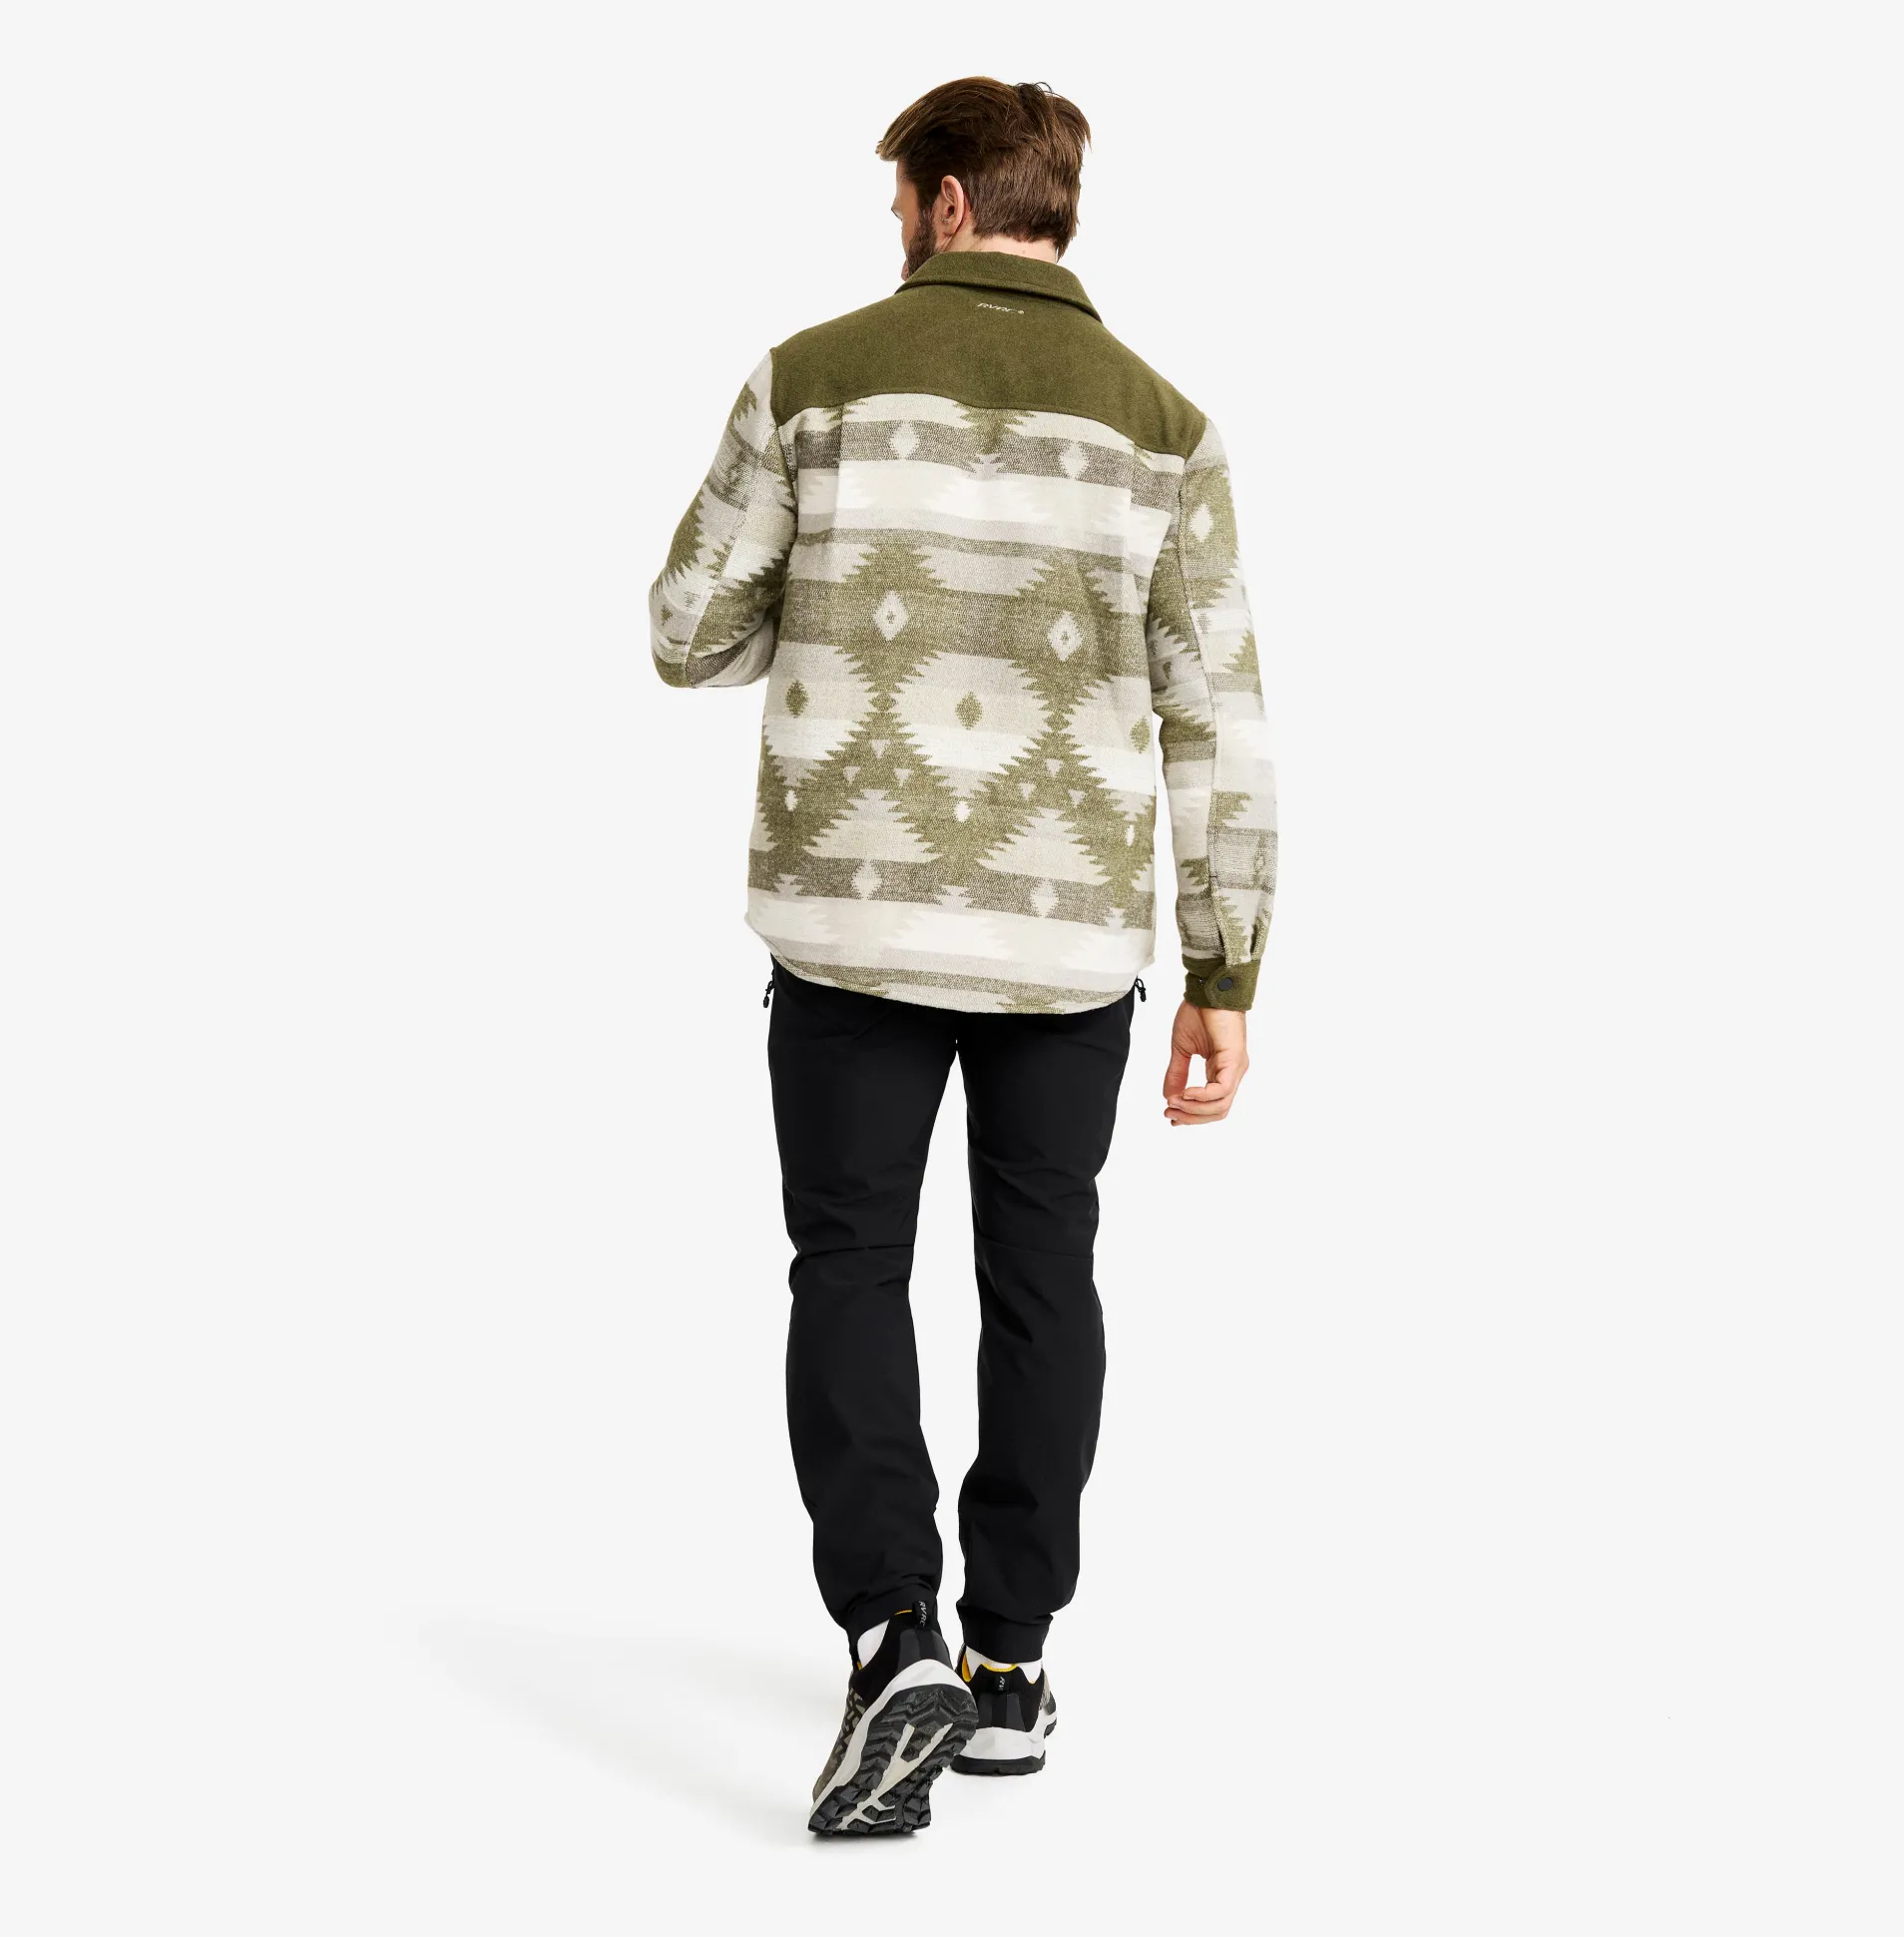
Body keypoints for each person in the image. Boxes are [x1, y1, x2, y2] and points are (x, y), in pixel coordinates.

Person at [647, 76, 1277, 1836]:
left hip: (848, 921)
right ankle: (1006, 1665)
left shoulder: (813, 375)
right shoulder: (1169, 428)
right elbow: (1218, 717)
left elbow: (686, 632)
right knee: (1042, 1278)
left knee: (848, 1267)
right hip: (1064, 944)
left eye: (897, 209)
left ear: (939, 202)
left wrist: (834, 594)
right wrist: (1225, 971)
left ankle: (889, 1638)